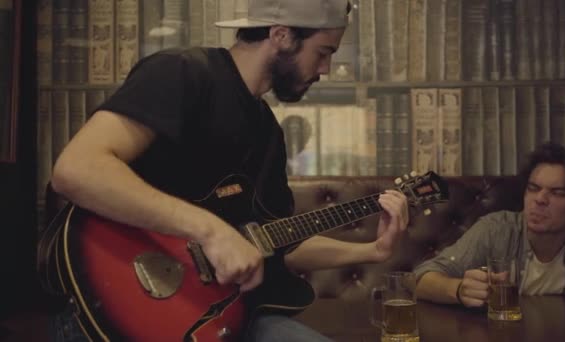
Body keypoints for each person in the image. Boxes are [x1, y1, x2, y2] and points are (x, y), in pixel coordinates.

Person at [47, 0, 409, 341]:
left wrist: (372, 251)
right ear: (281, 36)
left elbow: (271, 244)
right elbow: (76, 169)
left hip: (224, 314)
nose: (326, 69)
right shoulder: (183, 72)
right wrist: (211, 232)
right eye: (324, 52)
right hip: (120, 300)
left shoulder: (267, 132)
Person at [414, 142, 565, 308]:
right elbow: (420, 278)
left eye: (557, 192)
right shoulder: (497, 229)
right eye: (533, 188)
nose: (540, 199)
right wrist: (458, 289)